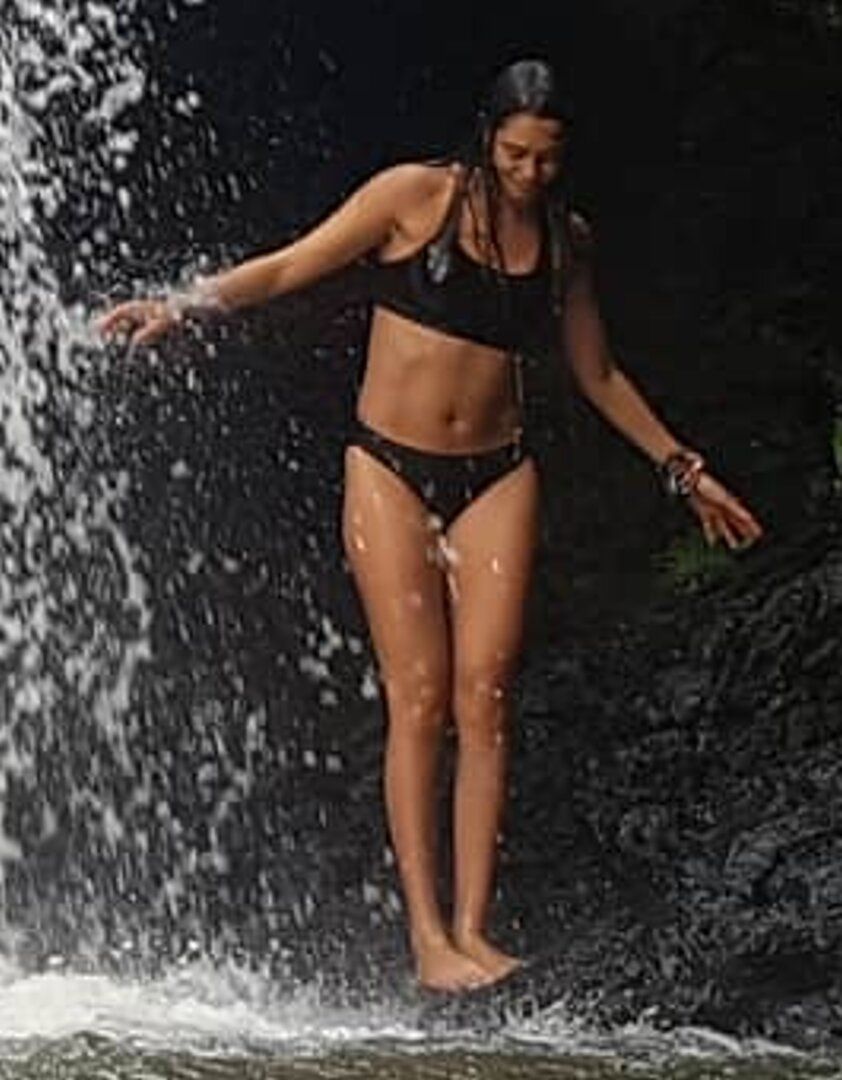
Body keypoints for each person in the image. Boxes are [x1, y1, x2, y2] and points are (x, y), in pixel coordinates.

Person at [97, 59, 763, 993]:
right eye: (515, 154)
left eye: (546, 159)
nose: (529, 173)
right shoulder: (415, 197)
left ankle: (474, 929)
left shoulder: (566, 242)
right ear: (487, 138)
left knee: (485, 694)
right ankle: (426, 938)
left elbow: (598, 373)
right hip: (388, 467)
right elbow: (290, 263)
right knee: (418, 696)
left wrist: (685, 471)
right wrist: (182, 305)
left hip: (497, 474)